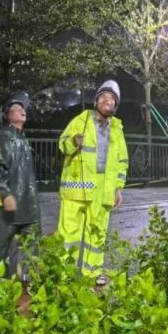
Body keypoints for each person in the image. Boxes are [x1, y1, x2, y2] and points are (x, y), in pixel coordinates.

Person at [57, 80, 128, 284]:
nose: (107, 101)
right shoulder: (81, 120)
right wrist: (73, 142)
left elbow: (122, 161)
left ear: (115, 106)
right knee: (68, 234)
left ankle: (92, 273)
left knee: (97, 233)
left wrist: (118, 189)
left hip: (103, 189)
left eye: (112, 99)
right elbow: (62, 144)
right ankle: (64, 274)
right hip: (76, 187)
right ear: (96, 101)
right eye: (104, 97)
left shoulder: (117, 128)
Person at [0, 92, 40, 277]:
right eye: (16, 108)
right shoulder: (4, 138)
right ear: (7, 116)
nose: (21, 110)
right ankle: (2, 285)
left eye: (22, 108)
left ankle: (24, 280)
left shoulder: (21, 139)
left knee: (30, 245)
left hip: (20, 205)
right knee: (0, 255)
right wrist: (5, 194)